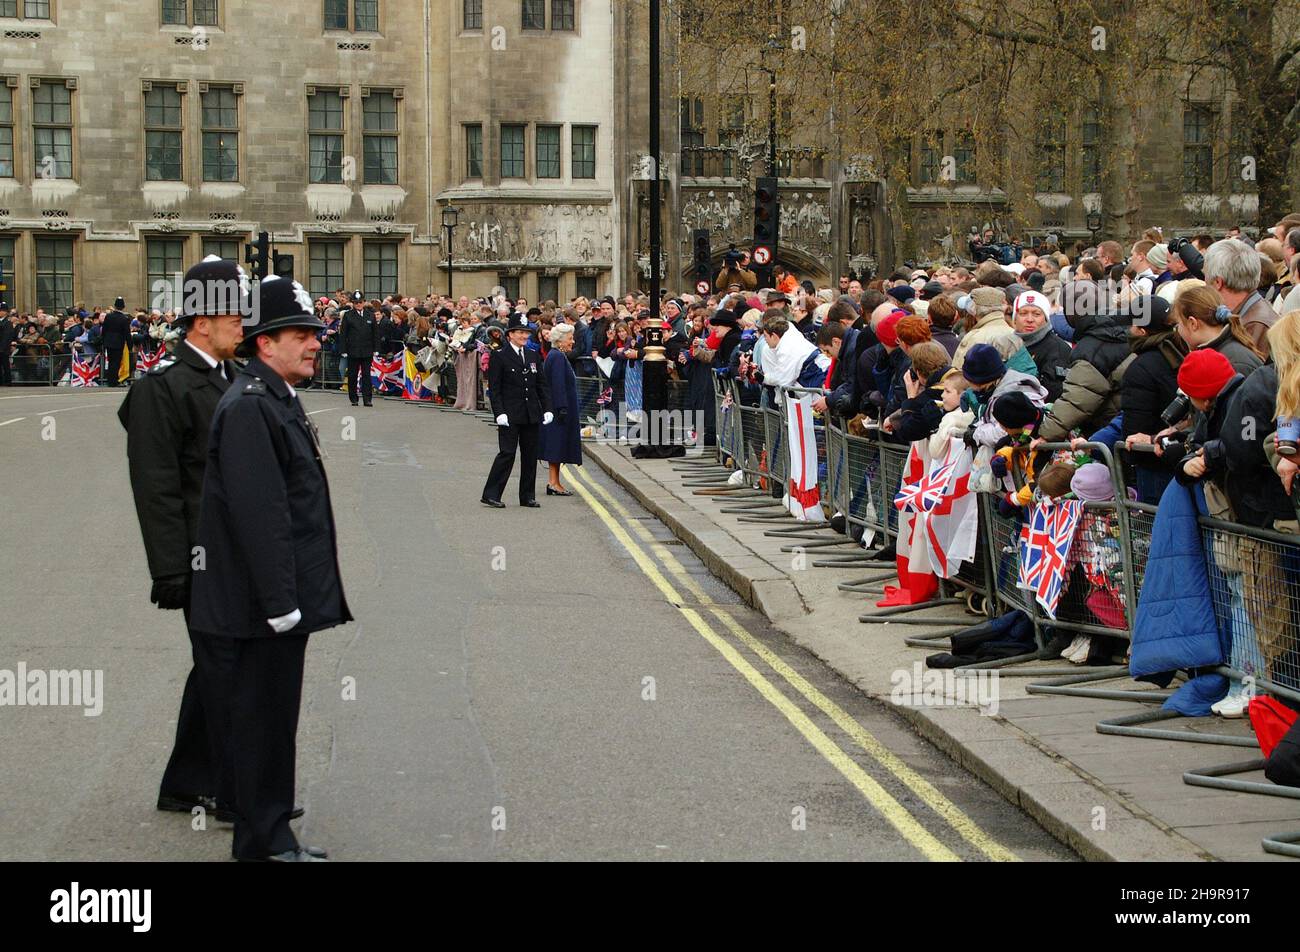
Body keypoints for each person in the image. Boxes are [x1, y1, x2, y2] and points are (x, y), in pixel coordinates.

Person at [189, 274, 351, 862]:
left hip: (271, 605)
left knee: (273, 723)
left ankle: (272, 830)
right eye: (302, 334)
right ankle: (265, 845)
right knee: (262, 727)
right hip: (259, 610)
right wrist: (283, 603)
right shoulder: (253, 406)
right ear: (266, 342)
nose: (315, 343)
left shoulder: (271, 395)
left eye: (315, 332)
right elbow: (261, 517)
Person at [117, 255, 249, 826]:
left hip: (236, 552)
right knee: (224, 666)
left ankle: (186, 781)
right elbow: (157, 487)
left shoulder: (232, 379)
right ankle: (232, 788)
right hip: (199, 557)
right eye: (234, 318)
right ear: (202, 321)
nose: (243, 326)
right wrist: (169, 567)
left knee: (217, 665)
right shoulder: (163, 389)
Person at [481, 313, 554, 508]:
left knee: (530, 455)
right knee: (507, 453)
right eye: (520, 332)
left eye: (526, 333)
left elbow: (541, 385)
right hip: (510, 414)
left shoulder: (532, 355)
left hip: (531, 413)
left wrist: (547, 408)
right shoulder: (499, 356)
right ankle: (491, 494)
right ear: (510, 334)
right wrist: (499, 413)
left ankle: (527, 496)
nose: (524, 336)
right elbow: (494, 389)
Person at [539, 323, 582, 496]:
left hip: (558, 407)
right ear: (561, 341)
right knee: (556, 446)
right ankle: (553, 483)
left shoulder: (556, 355)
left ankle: (554, 482)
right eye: (570, 339)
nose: (573, 342)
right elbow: (557, 385)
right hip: (559, 409)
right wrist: (562, 408)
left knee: (557, 447)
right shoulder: (556, 357)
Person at [339, 289, 377, 407]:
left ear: (364, 302)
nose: (358, 304)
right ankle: (353, 398)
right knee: (352, 375)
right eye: (356, 302)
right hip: (352, 350)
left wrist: (376, 349)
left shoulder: (370, 315)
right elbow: (343, 333)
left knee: (366, 375)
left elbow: (375, 333)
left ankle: (367, 399)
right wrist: (343, 350)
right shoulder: (348, 315)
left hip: (367, 350)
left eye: (360, 302)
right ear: (353, 303)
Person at [101, 296, 132, 387]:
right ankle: (114, 381)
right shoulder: (124, 318)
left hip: (108, 341)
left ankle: (110, 380)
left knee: (111, 362)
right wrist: (130, 345)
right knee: (116, 362)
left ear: (115, 306)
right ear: (123, 307)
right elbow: (127, 333)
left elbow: (104, 330)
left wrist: (103, 341)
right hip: (118, 342)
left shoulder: (108, 317)